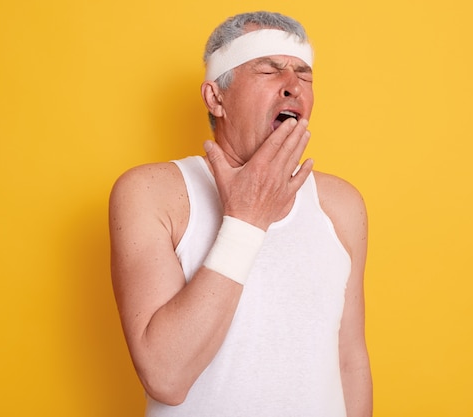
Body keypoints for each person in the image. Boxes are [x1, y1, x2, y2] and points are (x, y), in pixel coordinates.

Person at [110, 11, 372, 417]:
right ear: (216, 98)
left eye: (304, 75)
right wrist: (246, 219)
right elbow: (165, 377)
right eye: (269, 71)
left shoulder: (341, 205)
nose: (292, 87)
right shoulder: (152, 193)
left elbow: (350, 359)